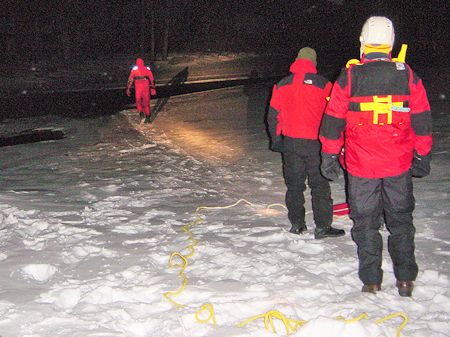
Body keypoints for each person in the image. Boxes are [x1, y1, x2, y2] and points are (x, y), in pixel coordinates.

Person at [319, 16, 432, 297]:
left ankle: (371, 280)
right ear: (391, 42)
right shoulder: (407, 74)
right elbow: (422, 119)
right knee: (401, 221)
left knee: (366, 223)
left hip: (361, 167)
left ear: (363, 42)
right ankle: (405, 279)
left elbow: (332, 122)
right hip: (398, 164)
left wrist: (329, 156)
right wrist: (422, 154)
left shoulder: (350, 76)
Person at [267, 47, 345, 240]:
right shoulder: (323, 85)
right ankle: (322, 227)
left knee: (294, 186)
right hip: (316, 145)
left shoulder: (281, 84)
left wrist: (277, 140)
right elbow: (333, 114)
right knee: (320, 187)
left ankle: (297, 224)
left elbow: (273, 116)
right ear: (314, 63)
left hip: (291, 144)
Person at [126, 58, 156, 123]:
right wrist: (153, 88)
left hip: (139, 87)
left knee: (138, 100)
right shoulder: (146, 69)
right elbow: (152, 79)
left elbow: (130, 80)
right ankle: (147, 117)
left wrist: (128, 89)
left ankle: (142, 113)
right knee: (146, 102)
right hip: (145, 86)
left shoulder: (134, 70)